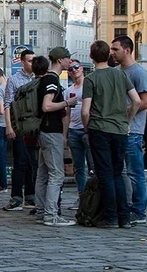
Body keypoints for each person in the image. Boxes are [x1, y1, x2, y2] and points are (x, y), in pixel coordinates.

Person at [81, 40, 141, 229]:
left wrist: (87, 128)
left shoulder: (91, 79)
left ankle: (110, 217)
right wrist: (127, 120)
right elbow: (137, 101)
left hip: (100, 128)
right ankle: (124, 216)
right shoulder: (121, 75)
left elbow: (85, 111)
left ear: (91, 56)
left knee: (105, 174)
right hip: (120, 130)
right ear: (108, 55)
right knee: (117, 172)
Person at [33, 49, 78, 227]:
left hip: (43, 131)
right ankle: (51, 215)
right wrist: (68, 103)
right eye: (68, 59)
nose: (70, 62)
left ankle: (40, 211)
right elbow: (47, 105)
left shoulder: (44, 78)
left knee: (43, 174)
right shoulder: (52, 79)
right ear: (60, 60)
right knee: (56, 175)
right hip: (51, 131)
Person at [111, 36, 147, 225]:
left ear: (127, 50)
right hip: (119, 128)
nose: (112, 52)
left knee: (135, 172)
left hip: (133, 129)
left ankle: (139, 210)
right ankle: (126, 206)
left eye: (115, 49)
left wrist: (127, 111)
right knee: (122, 171)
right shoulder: (117, 71)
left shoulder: (138, 73)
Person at [2, 49, 37, 211]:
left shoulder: (38, 78)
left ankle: (30, 195)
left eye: (34, 60)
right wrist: (9, 126)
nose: (33, 63)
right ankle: (16, 196)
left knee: (33, 162)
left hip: (35, 127)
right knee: (20, 161)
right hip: (20, 126)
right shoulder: (14, 80)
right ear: (22, 62)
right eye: (30, 61)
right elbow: (7, 103)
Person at [64, 59, 94, 210]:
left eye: (76, 67)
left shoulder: (89, 85)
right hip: (74, 130)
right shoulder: (68, 90)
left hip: (88, 129)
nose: (74, 70)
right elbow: (67, 113)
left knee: (93, 166)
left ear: (81, 68)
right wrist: (65, 133)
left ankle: (94, 198)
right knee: (78, 167)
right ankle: (82, 197)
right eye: (70, 69)